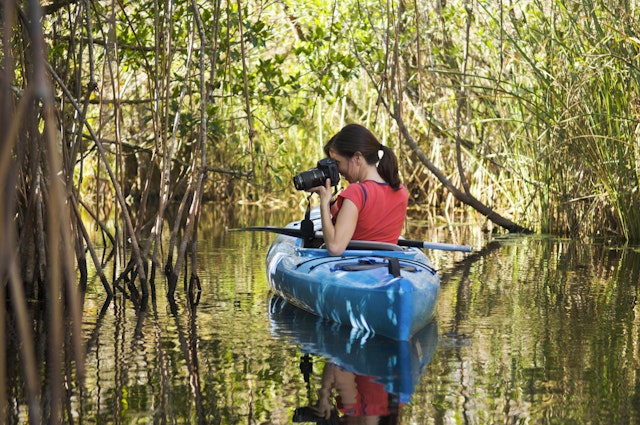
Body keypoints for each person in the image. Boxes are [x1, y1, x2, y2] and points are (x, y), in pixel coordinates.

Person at [307, 124, 408, 256]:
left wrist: (324, 204)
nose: (337, 171)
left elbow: (335, 247)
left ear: (357, 158)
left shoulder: (357, 192)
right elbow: (365, 220)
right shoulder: (401, 191)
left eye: (337, 163)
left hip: (353, 267)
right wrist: (331, 202)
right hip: (386, 266)